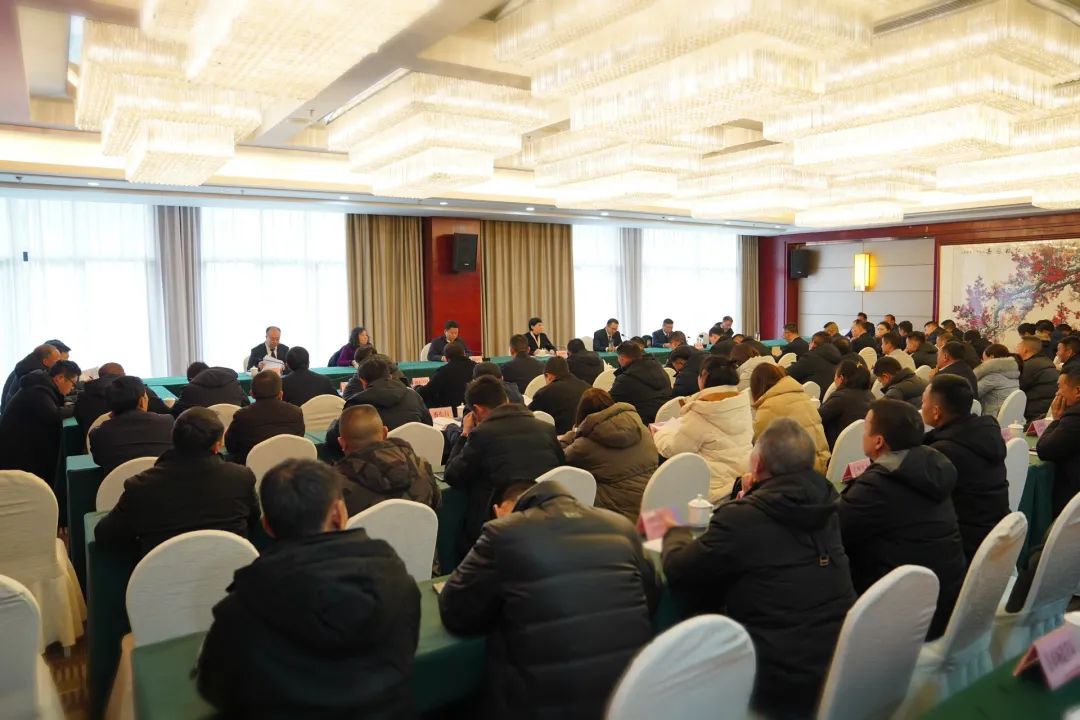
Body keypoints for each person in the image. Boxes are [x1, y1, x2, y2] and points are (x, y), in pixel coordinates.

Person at [196, 458, 420, 719]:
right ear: (339, 514)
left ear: (267, 527)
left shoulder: (239, 612)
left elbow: (216, 688)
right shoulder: (398, 583)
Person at [663, 419, 855, 718]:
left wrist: (674, 530)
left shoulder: (743, 519)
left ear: (757, 463)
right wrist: (753, 497)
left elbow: (679, 570)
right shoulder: (828, 504)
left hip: (775, 679)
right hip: (838, 665)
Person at [439, 480, 657, 720]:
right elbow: (650, 595)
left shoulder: (503, 533)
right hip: (627, 699)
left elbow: (455, 611)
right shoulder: (621, 526)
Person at [837, 399, 965, 639]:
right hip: (945, 602)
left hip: (902, 619)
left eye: (866, 428)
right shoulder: (931, 466)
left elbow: (833, 531)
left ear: (878, 441)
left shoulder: (880, 484)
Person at [95, 407, 260, 558]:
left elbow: (106, 535)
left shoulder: (141, 486)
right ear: (217, 446)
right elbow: (252, 520)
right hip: (230, 571)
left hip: (161, 576)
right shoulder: (241, 478)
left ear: (173, 439)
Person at [443, 376, 563, 553]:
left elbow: (452, 475)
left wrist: (465, 434)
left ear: (478, 410)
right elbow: (561, 467)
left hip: (496, 525)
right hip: (547, 517)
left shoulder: (482, 434)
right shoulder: (546, 429)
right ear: (504, 399)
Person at [922, 374, 1009, 563]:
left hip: (964, 547)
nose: (921, 408)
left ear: (936, 412)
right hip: (995, 536)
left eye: (923, 402)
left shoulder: (944, 452)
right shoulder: (983, 433)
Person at [655, 356, 754, 500]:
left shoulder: (702, 410)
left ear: (704, 375)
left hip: (711, 492)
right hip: (743, 482)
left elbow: (672, 449)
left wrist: (660, 433)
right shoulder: (742, 402)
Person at [559, 389, 656, 522]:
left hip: (619, 514)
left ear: (582, 415)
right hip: (652, 502)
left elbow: (560, 457)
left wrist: (572, 434)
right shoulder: (642, 429)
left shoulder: (585, 446)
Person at [334, 405, 441, 516]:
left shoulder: (334, 487)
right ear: (385, 433)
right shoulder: (422, 466)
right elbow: (435, 507)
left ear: (342, 443)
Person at [0, 360, 80, 482]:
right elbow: (53, 414)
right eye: (73, 384)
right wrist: (78, 407)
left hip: (25, 443)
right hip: (16, 451)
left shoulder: (43, 383)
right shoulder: (37, 389)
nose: (72, 388)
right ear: (60, 378)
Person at [749, 363, 830, 474]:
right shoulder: (803, 396)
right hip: (823, 466)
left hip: (799, 474)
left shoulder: (767, 408)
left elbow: (758, 449)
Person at [89, 376, 174, 475]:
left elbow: (100, 461)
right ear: (142, 401)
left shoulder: (99, 434)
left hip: (118, 484)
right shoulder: (168, 423)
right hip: (165, 482)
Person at [224, 371, 306, 464]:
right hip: (287, 466)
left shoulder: (242, 415)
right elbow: (299, 440)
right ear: (281, 394)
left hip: (252, 468)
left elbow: (231, 447)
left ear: (252, 393)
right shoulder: (296, 412)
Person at [75, 362, 169, 442]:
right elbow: (163, 411)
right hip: (145, 440)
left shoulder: (83, 397)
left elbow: (79, 421)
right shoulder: (140, 391)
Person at [342, 357, 432, 430]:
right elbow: (428, 426)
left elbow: (341, 435)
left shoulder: (355, 404)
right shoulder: (412, 395)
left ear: (363, 382)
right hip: (413, 446)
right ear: (390, 376)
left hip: (373, 447)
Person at [1038, 365, 1080, 517]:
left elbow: (1045, 450)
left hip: (1072, 503)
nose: (1057, 393)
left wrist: (1056, 419)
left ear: (1077, 391)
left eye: (1060, 387)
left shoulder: (1075, 417)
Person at [609, 341, 671, 424]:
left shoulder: (625, 378)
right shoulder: (658, 367)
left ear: (622, 358)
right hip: (668, 417)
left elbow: (609, 401)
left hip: (643, 423)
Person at [819, 360, 874, 449]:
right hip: (862, 449)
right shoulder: (870, 395)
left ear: (841, 378)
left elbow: (817, 418)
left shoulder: (840, 398)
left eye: (835, 376)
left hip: (837, 449)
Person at [527, 356, 590, 434]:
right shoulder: (587, 387)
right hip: (585, 434)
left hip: (560, 437)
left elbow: (528, 415)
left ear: (549, 376)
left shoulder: (546, 392)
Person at [171, 363, 249, 416]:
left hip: (205, 433)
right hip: (233, 429)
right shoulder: (233, 382)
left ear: (191, 379)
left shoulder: (190, 390)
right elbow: (246, 404)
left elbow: (176, 413)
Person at [1, 343, 60, 413]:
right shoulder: (35, 376)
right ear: (45, 361)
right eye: (57, 361)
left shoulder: (27, 366)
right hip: (19, 416)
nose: (60, 364)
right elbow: (50, 409)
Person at [416, 342, 476, 410]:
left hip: (450, 410)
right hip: (473, 408)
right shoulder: (476, 367)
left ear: (446, 358)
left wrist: (417, 388)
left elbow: (428, 391)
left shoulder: (443, 371)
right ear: (464, 354)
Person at [787, 331, 842, 400]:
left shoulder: (810, 357)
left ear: (813, 344)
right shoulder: (837, 357)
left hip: (809, 398)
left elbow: (788, 373)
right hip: (826, 398)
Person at [1017, 336, 1059, 421]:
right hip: (1046, 409)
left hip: (1033, 413)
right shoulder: (1047, 361)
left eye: (1018, 348)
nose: (1016, 351)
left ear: (1025, 350)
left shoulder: (1029, 366)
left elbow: (1017, 388)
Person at [974, 344, 1021, 418]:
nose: (982, 362)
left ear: (991, 357)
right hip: (1010, 418)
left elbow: (971, 393)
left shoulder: (993, 378)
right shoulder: (1013, 374)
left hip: (992, 418)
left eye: (984, 359)